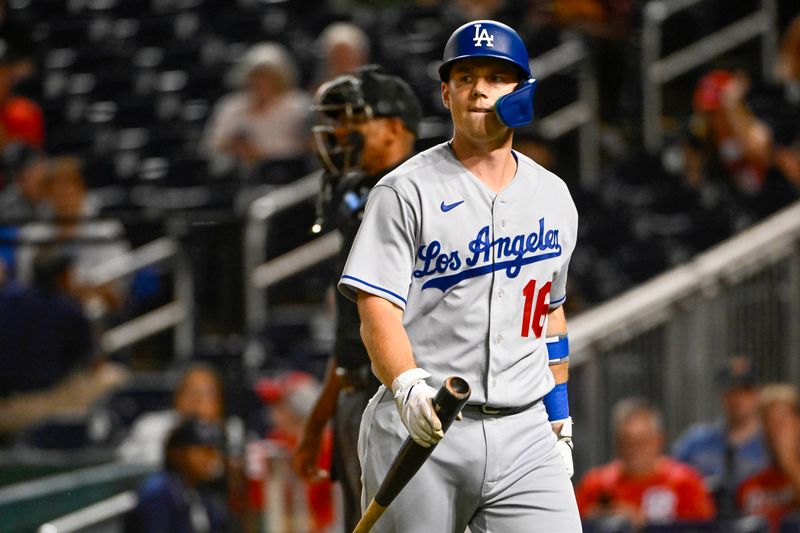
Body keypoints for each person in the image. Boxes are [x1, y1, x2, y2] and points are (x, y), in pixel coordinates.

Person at [338, 20, 581, 531]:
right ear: (446, 92)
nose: (479, 89)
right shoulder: (404, 191)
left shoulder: (554, 196)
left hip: (525, 432)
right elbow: (376, 308)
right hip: (424, 428)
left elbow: (551, 315)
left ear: (522, 91)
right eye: (466, 76)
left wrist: (559, 421)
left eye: (497, 77)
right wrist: (405, 387)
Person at [291, 64, 421, 532]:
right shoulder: (359, 196)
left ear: (393, 128)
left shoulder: (421, 199)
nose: (339, 133)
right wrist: (318, 419)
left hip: (401, 400)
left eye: (353, 120)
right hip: (361, 396)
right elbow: (353, 334)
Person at [0, 250, 128, 433]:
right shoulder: (69, 309)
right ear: (63, 276)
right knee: (114, 375)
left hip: (6, 407)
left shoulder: (6, 301)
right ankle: (96, 436)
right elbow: (95, 363)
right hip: (45, 407)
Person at [576, 398, 715, 529]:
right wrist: (602, 519)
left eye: (641, 442)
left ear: (658, 440)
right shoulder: (597, 485)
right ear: (617, 444)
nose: (634, 450)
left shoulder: (685, 483)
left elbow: (702, 528)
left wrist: (645, 524)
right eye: (626, 442)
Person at [672, 356, 769, 516]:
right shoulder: (695, 441)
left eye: (745, 390)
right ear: (722, 394)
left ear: (759, 394)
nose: (738, 398)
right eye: (731, 390)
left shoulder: (771, 443)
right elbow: (669, 481)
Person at [202, 42, 311, 172]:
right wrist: (232, 146)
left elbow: (305, 147)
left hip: (287, 174)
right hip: (238, 175)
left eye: (267, 76)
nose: (261, 82)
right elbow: (210, 146)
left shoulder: (298, 104)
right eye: (256, 76)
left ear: (280, 78)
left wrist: (261, 152)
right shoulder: (230, 106)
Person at [129, 418, 228, 533]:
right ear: (177, 453)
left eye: (212, 451)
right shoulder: (159, 493)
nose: (211, 458)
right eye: (203, 451)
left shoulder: (199, 488)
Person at [117, 364, 226, 465]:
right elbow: (122, 470)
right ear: (177, 397)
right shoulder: (149, 427)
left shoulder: (231, 434)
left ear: (220, 401)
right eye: (190, 392)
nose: (196, 401)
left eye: (206, 394)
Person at [737, 383, 800, 532]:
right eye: (768, 422)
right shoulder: (750, 484)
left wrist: (789, 462)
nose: (775, 430)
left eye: (782, 421)